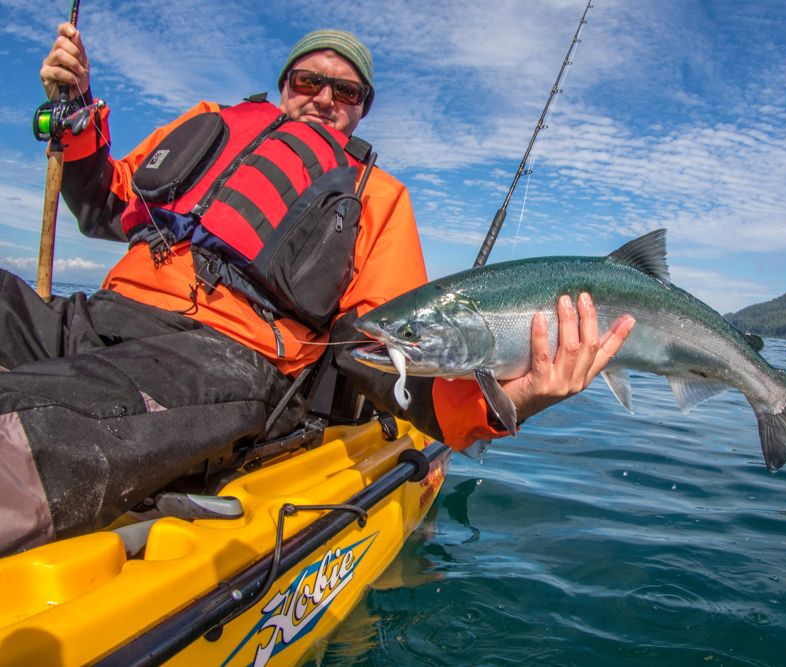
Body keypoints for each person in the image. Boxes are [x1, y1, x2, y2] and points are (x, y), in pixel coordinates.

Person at [0, 24, 634, 554]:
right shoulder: (212, 125)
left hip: (220, 357)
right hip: (99, 312)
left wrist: (507, 402)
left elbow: (389, 355)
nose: (326, 97)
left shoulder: (377, 197)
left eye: (348, 91)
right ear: (284, 88)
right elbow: (101, 203)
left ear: (362, 106)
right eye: (310, 82)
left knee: (48, 411)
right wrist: (78, 112)